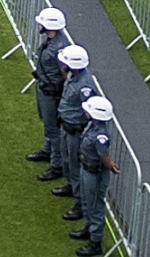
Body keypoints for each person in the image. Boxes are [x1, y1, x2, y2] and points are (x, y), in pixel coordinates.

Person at [71, 96, 119, 256]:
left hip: (94, 173)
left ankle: (95, 242)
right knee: (86, 201)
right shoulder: (93, 127)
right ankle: (88, 228)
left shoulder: (100, 136)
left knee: (95, 206)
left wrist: (110, 165)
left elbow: (103, 156)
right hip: (87, 169)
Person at [54, 44, 96, 211]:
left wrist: (78, 125)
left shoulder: (85, 86)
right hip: (66, 124)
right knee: (67, 159)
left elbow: (88, 110)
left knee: (75, 162)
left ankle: (80, 201)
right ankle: (71, 186)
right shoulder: (73, 76)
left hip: (75, 129)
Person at [29, 7, 70, 177]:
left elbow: (65, 73)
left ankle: (57, 165)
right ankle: (47, 151)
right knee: (46, 121)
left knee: (53, 128)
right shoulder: (51, 41)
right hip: (44, 86)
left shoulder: (60, 48)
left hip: (52, 91)